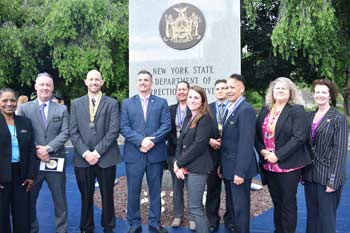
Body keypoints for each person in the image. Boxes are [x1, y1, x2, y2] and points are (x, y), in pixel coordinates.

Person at [255, 77, 312, 233]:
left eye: (283, 89)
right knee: (277, 201)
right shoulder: (266, 110)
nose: (279, 91)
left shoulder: (297, 110)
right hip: (268, 164)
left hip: (288, 165)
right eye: (277, 88)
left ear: (290, 92)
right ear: (272, 92)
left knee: (287, 203)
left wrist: (278, 155)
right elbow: (257, 136)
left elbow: (299, 137)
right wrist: (262, 151)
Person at [18, 72, 70, 233]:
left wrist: (48, 148)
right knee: (30, 200)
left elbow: (65, 132)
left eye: (48, 85)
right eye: (42, 84)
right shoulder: (24, 109)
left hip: (56, 161)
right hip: (32, 164)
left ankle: (62, 230)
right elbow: (21, 132)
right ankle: (32, 229)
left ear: (53, 87)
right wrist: (37, 150)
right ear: (36, 86)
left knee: (60, 201)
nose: (45, 88)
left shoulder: (62, 109)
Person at [70, 69, 121, 233]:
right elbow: (73, 131)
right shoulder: (76, 103)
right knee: (86, 195)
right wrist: (86, 153)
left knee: (107, 195)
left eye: (97, 79)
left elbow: (114, 131)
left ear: (102, 82)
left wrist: (97, 153)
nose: (94, 82)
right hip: (82, 158)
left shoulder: (112, 103)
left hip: (106, 157)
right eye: (91, 79)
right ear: (85, 81)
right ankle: (86, 227)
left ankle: (108, 227)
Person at [120, 70, 171, 233]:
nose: (143, 82)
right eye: (140, 79)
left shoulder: (162, 102)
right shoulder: (127, 103)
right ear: (137, 83)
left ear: (151, 83)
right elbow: (124, 127)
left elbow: (166, 126)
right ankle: (134, 224)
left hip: (155, 154)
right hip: (134, 154)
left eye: (146, 80)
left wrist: (151, 140)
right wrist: (140, 141)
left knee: (155, 190)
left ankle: (154, 223)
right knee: (133, 190)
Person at [303, 79, 348, 233]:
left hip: (329, 176)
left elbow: (340, 152)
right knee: (312, 217)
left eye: (324, 92)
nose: (320, 95)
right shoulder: (309, 117)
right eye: (317, 92)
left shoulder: (338, 118)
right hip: (310, 175)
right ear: (313, 95)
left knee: (326, 219)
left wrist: (333, 181)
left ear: (330, 95)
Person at [219, 74, 257, 233]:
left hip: (238, 171)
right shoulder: (230, 107)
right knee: (233, 207)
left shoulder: (246, 109)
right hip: (228, 168)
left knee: (240, 209)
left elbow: (246, 144)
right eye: (227, 87)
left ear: (242, 89)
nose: (228, 90)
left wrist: (240, 172)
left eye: (232, 87)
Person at [173, 85, 213, 233]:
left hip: (198, 168)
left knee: (195, 208)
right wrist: (177, 164)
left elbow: (199, 146)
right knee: (194, 206)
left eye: (196, 97)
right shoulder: (189, 117)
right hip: (186, 166)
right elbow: (180, 143)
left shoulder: (205, 118)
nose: (192, 100)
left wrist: (179, 162)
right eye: (190, 97)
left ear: (202, 100)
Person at [0, 88, 37, 233]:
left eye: (12, 100)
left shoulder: (25, 122)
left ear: (16, 103)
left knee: (23, 217)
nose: (9, 103)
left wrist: (31, 176)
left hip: (22, 177)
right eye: (5, 100)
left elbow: (31, 150)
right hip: (2, 176)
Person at [206, 79, 234, 233]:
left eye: (224, 88)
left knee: (230, 190)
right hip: (211, 154)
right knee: (212, 189)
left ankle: (230, 219)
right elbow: (200, 130)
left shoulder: (234, 108)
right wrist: (209, 140)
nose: (221, 91)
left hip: (229, 154)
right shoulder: (207, 109)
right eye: (218, 88)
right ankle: (212, 219)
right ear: (214, 91)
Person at [166, 81, 195, 229]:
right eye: (179, 89)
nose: (181, 92)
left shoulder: (194, 109)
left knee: (192, 187)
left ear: (189, 91)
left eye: (184, 89)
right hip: (173, 154)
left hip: (191, 156)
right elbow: (167, 130)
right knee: (177, 187)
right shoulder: (170, 109)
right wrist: (177, 143)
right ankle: (178, 215)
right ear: (176, 92)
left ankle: (193, 217)